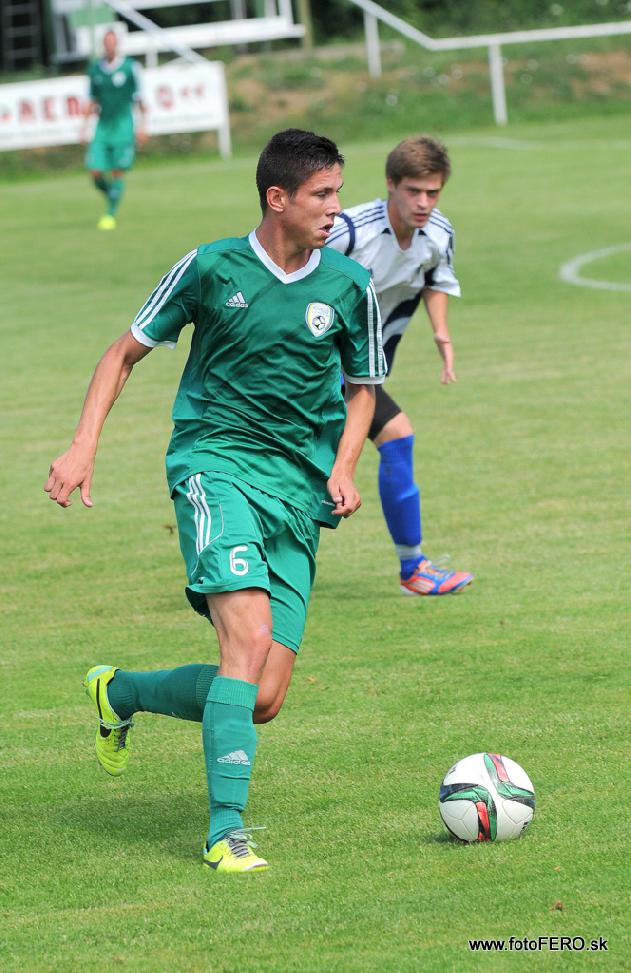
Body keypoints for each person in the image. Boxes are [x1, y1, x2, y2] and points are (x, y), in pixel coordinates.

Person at [45, 129, 384, 874]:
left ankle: (121, 692)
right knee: (247, 641)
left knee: (263, 697)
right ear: (277, 198)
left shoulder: (348, 284)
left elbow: (363, 388)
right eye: (322, 194)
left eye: (337, 191)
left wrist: (344, 465)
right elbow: (122, 352)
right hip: (214, 465)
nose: (336, 207)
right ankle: (224, 832)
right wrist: (82, 445)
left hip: (298, 496)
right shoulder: (209, 267)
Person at [327, 135, 473, 597]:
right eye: (414, 191)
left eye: (433, 192)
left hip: (359, 372)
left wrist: (441, 331)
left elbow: (435, 277)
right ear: (391, 184)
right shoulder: (350, 231)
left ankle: (413, 568)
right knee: (301, 465)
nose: (424, 202)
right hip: (310, 367)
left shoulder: (439, 233)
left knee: (397, 439)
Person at [80, 29, 148, 230]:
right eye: (106, 42)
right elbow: (91, 101)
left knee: (117, 172)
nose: (109, 46)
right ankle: (112, 194)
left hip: (123, 127)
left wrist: (143, 126)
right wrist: (84, 127)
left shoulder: (130, 67)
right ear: (103, 45)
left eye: (112, 42)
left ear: (117, 44)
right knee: (95, 172)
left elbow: (141, 100)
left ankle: (109, 214)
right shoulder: (95, 70)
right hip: (102, 128)